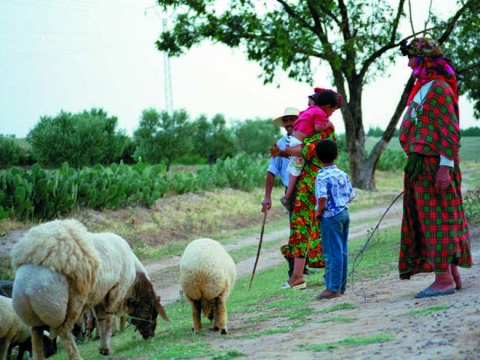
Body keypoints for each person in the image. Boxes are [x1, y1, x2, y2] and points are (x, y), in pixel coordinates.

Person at [398, 36, 472, 298]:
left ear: (424, 59)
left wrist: (445, 167)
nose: (408, 64)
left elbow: (449, 129)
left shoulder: (439, 88)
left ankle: (443, 280)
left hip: (434, 164)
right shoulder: (424, 86)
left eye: (411, 57)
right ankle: (452, 275)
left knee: (438, 220)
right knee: (433, 219)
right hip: (422, 164)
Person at [271, 88, 343, 290]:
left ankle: (297, 277)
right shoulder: (320, 129)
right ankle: (315, 274)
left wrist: (282, 151)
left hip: (312, 184)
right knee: (323, 227)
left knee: (303, 227)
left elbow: (305, 151)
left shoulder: (323, 131)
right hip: (321, 183)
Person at [261, 107, 315, 277]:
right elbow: (271, 171)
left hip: (310, 187)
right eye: (286, 120)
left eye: (292, 119)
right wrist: (267, 196)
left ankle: (304, 267)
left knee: (310, 227)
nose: (289, 123)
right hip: (291, 192)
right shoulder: (280, 144)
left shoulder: (308, 140)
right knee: (296, 229)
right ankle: (294, 270)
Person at [280, 90, 338, 212]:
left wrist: (287, 150)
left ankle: (288, 196)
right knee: (295, 170)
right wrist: (329, 124)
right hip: (312, 181)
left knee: (294, 171)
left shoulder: (307, 112)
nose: (331, 115)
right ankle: (287, 196)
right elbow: (308, 149)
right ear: (327, 107)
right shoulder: (323, 123)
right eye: (332, 111)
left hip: (295, 142)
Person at [314, 139, 355, 299]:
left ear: (317, 157)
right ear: (337, 156)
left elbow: (322, 197)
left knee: (332, 252)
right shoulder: (342, 174)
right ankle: (341, 286)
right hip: (344, 213)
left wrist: (319, 211)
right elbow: (351, 195)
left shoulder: (321, 176)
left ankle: (333, 288)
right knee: (342, 250)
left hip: (330, 216)